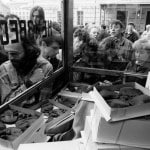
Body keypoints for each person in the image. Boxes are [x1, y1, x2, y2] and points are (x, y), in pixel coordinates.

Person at [0, 37, 53, 105]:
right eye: (7, 53)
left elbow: (44, 100)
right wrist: (29, 83)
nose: (10, 58)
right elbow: (6, 105)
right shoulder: (4, 69)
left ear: (29, 52)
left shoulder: (45, 67)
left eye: (14, 54)